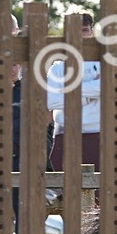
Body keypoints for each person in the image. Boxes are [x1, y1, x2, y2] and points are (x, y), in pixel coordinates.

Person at [47, 13, 102, 173]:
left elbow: (107, 88)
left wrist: (68, 89)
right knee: (63, 194)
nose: (81, 35)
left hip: (97, 135)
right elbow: (51, 101)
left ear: (91, 32)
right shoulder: (58, 67)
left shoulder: (104, 64)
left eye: (84, 30)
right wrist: (88, 96)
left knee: (98, 195)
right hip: (65, 135)